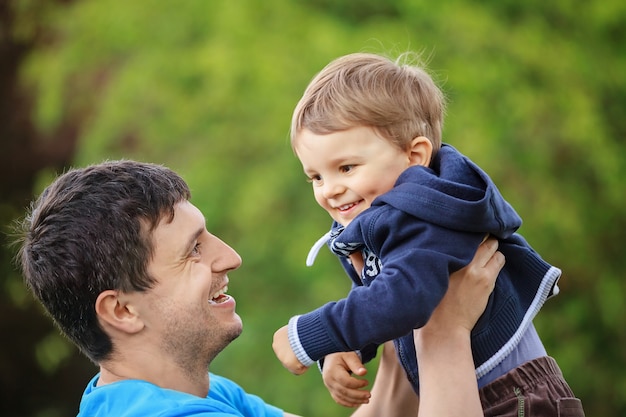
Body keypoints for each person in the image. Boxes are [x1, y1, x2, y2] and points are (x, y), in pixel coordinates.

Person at [16, 159, 505, 417]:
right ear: (121, 311)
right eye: (193, 251)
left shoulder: (198, 395)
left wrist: (399, 308)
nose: (230, 257)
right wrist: (444, 334)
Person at [272, 52, 585, 416]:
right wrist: (349, 347)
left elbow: (402, 298)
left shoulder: (429, 219)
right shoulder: (386, 215)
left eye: (346, 167)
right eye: (316, 177)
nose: (329, 189)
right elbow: (381, 296)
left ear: (414, 155)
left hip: (516, 398)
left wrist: (311, 335)